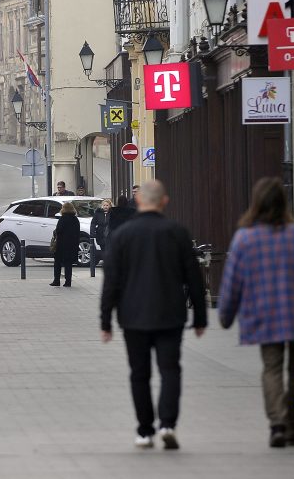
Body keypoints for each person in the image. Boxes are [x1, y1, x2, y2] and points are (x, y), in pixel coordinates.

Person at [218, 177, 294, 449]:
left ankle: (277, 424)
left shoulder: (244, 238)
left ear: (256, 204)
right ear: (283, 203)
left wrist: (226, 314)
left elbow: (232, 280)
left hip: (263, 314)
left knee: (271, 369)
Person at [100, 180, 207, 451]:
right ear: (164, 202)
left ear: (139, 201)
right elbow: (194, 277)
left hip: (133, 315)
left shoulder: (123, 235)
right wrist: (201, 317)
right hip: (170, 314)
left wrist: (105, 321)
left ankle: (144, 430)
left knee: (140, 374)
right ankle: (168, 425)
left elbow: (111, 280)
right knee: (170, 370)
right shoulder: (177, 233)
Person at [50, 201, 81, 287]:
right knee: (68, 264)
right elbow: (78, 232)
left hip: (62, 245)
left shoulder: (62, 219)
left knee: (58, 263)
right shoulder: (75, 219)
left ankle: (56, 280)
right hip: (72, 245)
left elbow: (58, 230)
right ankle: (68, 282)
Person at [90, 199, 112, 268]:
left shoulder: (113, 213)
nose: (105, 207)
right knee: (103, 249)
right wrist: (93, 233)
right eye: (104, 205)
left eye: (107, 205)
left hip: (110, 234)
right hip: (100, 234)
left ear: (110, 206)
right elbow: (93, 223)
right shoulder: (98, 213)